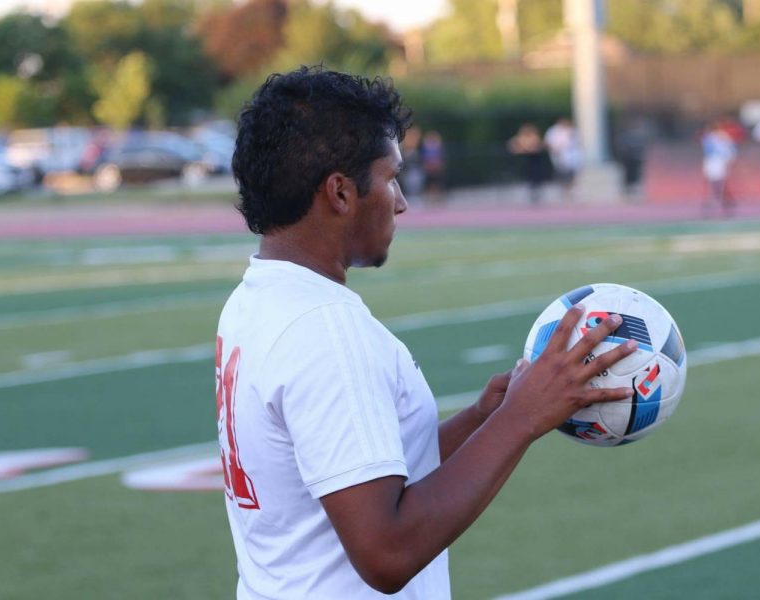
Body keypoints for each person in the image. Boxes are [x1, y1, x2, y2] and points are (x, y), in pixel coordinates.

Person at [217, 65, 637, 599]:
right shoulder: (324, 328)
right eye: (390, 177)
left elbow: (355, 474)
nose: (401, 200)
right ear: (340, 193)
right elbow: (386, 553)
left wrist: (483, 419)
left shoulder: (256, 297)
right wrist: (521, 419)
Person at [507, 122, 552, 204]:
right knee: (529, 177)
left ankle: (535, 192)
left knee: (536, 176)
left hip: (534, 160)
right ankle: (532, 192)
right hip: (525, 161)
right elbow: (512, 146)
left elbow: (538, 146)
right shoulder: (520, 138)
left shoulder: (534, 137)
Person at [701, 120, 737, 216]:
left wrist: (729, 158)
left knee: (720, 180)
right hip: (712, 160)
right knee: (712, 180)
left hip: (720, 160)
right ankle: (714, 198)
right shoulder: (709, 137)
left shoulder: (724, 136)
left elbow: (731, 149)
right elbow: (707, 148)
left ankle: (720, 199)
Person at [543, 117, 583, 199]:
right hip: (558, 155)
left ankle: (572, 189)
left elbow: (576, 142)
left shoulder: (572, 130)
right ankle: (564, 189)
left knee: (572, 172)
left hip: (571, 155)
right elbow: (548, 142)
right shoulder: (553, 131)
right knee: (562, 173)